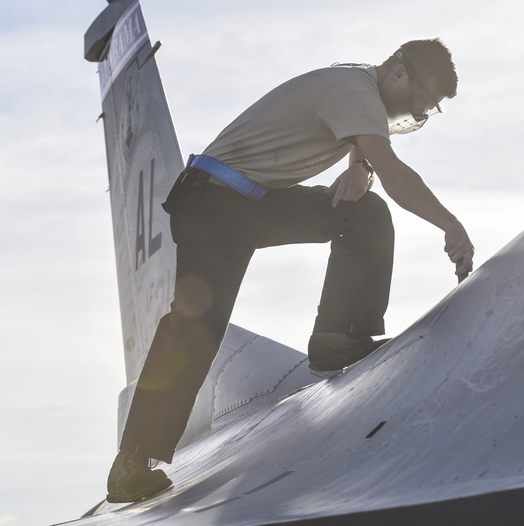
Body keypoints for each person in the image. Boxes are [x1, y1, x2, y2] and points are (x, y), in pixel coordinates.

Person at [106, 38, 475, 502]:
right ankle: (132, 461)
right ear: (399, 74)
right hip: (212, 204)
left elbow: (366, 146)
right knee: (197, 325)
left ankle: (336, 338)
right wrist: (451, 225)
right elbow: (395, 171)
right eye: (422, 103)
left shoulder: (359, 92)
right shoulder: (354, 92)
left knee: (363, 213)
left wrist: (360, 166)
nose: (418, 114)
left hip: (254, 201)